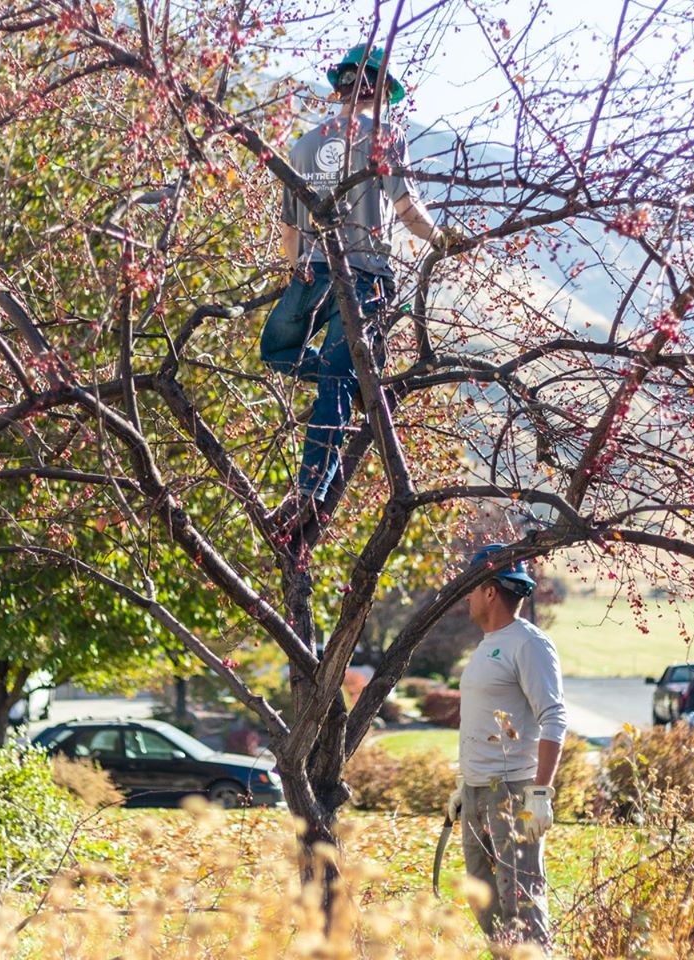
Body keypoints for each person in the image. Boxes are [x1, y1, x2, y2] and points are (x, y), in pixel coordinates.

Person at [261, 44, 455, 520]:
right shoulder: (386, 134)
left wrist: (299, 267)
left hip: (312, 271)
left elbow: (289, 229)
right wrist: (444, 239)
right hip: (363, 276)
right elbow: (407, 209)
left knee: (276, 351)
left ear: (340, 89)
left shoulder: (303, 145)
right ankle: (309, 492)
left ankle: (343, 381)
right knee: (337, 380)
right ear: (381, 89)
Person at [447, 545, 567, 952]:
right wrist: (465, 785)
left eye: (471, 589)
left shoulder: (528, 643)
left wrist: (539, 794)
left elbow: (553, 717)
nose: (466, 597)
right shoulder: (487, 644)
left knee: (522, 905)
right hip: (477, 792)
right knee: (485, 902)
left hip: (512, 794)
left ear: (490, 591)